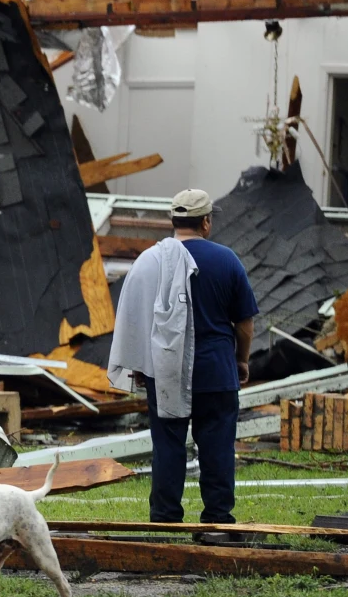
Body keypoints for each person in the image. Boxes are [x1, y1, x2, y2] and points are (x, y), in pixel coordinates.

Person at [108, 189, 258, 526]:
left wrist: (142, 365)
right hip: (216, 371)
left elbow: (135, 317)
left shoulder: (151, 260)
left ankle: (165, 518)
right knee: (217, 447)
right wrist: (241, 360)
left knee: (168, 444)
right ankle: (217, 518)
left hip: (166, 371)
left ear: (173, 221)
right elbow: (245, 323)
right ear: (205, 222)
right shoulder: (227, 260)